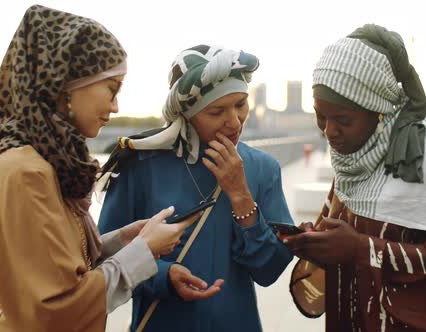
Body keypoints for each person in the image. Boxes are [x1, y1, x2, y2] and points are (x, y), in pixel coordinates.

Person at [0, 5, 198, 331]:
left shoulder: (42, 163)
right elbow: (55, 310)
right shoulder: (24, 173)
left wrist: (124, 240)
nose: (115, 106)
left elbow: (55, 266)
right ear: (67, 85)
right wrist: (144, 251)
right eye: (112, 88)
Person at [284, 24, 426, 331]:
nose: (329, 132)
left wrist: (360, 249)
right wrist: (318, 241)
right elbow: (345, 229)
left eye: (343, 120)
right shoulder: (354, 157)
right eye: (321, 116)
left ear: (379, 112)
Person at [97, 44, 294, 332]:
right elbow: (103, 256)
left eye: (241, 104)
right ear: (185, 114)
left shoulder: (263, 168)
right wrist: (163, 276)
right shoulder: (140, 165)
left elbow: (269, 271)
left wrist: (240, 196)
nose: (234, 121)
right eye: (216, 111)